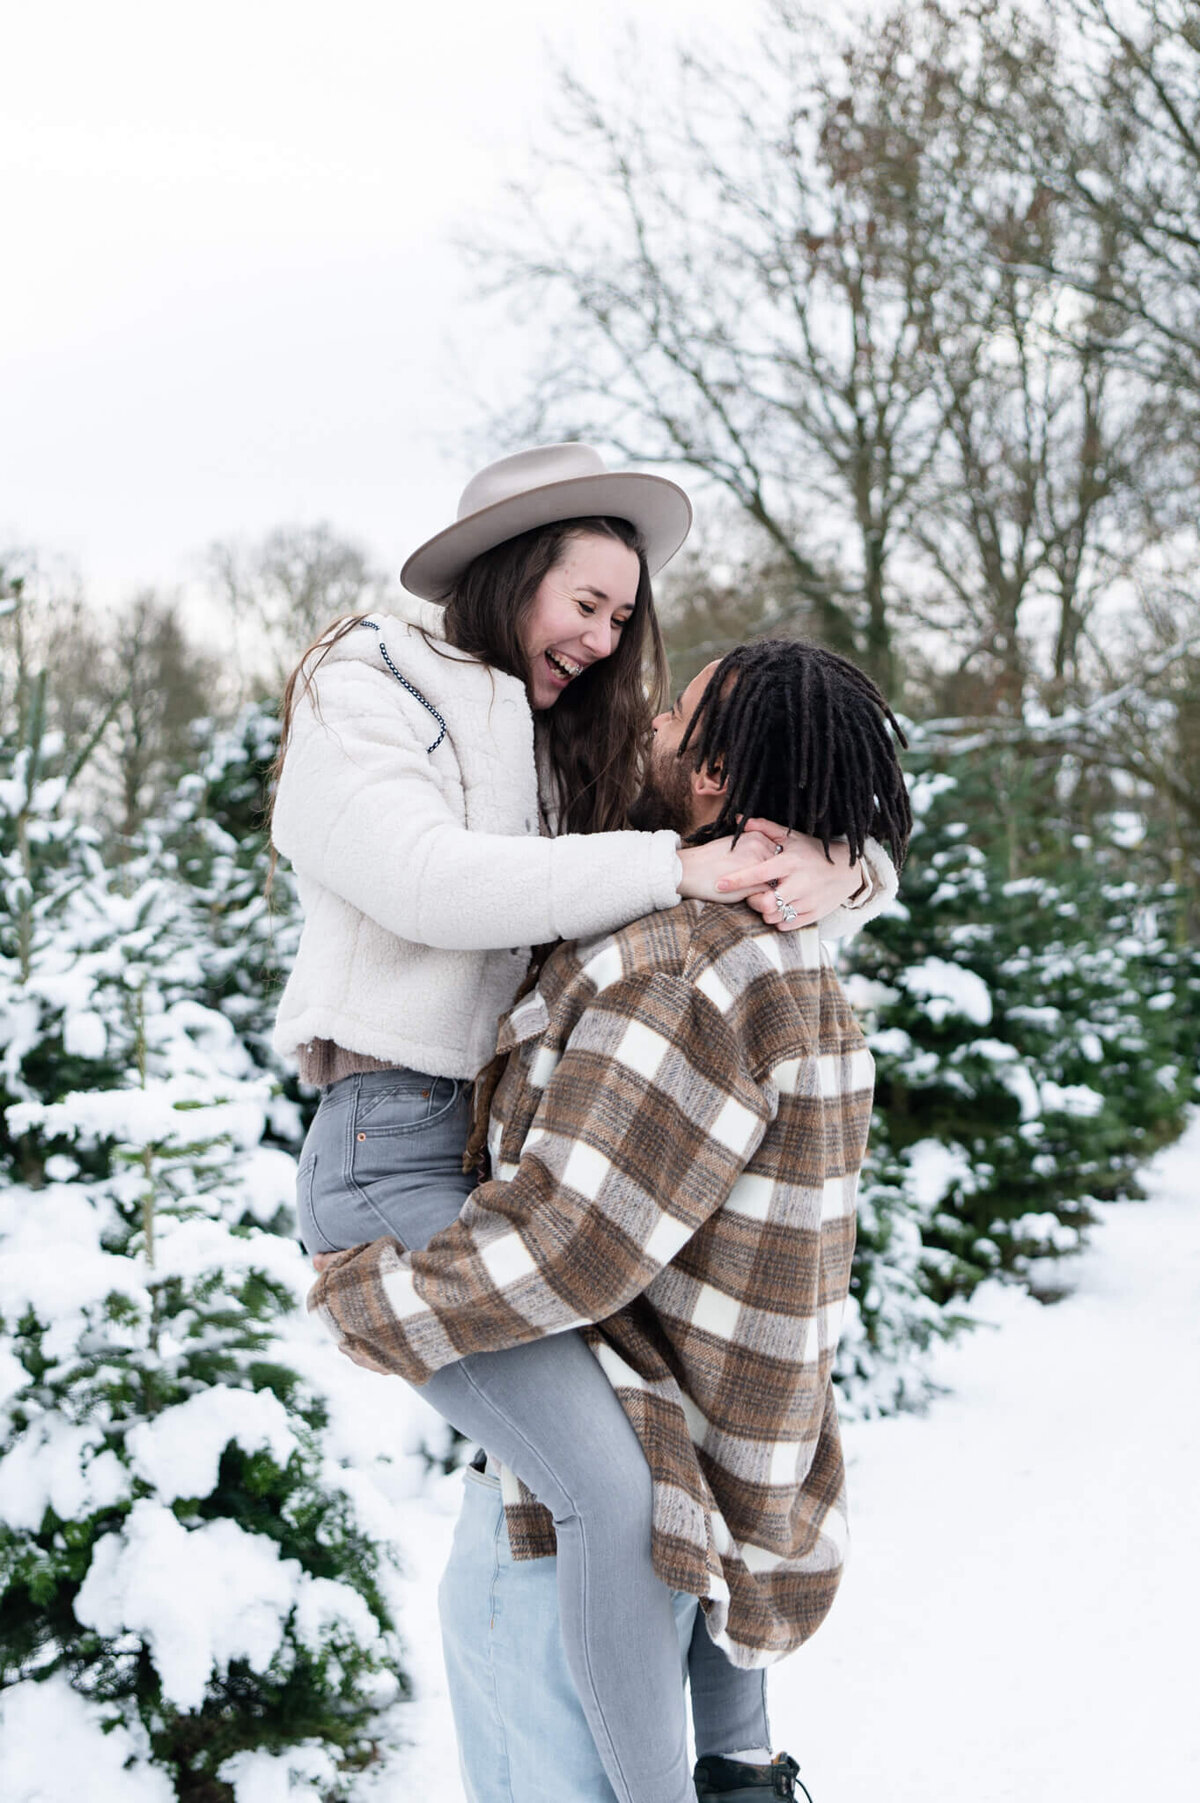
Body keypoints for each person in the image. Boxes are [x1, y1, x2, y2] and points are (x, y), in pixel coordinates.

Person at [272, 445, 896, 1803]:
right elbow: (435, 881)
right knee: (612, 1500)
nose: (609, 640)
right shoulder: (368, 688)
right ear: (514, 568)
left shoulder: (576, 736)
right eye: (587, 603)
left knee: (680, 1458)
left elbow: (755, 793)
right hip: (393, 1145)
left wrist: (837, 856)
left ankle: (739, 1771)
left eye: (627, 618)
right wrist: (688, 859)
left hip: (494, 1147)